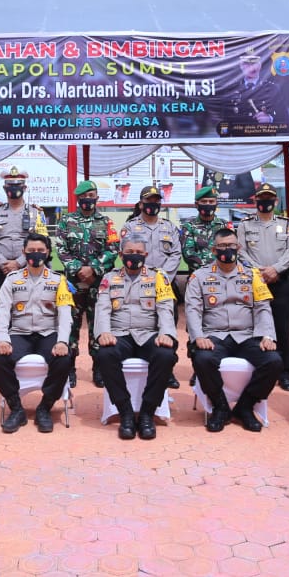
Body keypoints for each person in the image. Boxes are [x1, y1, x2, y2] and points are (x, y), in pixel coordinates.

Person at [185, 227, 280, 433]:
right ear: (213, 250)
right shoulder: (199, 276)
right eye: (222, 246)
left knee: (273, 361)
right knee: (202, 359)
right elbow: (192, 309)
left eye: (231, 245)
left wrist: (267, 336)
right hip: (214, 335)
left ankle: (245, 406)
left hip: (247, 335)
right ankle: (220, 406)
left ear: (239, 247)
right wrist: (198, 337)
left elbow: (263, 308)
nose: (227, 249)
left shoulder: (253, 275)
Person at [95, 234, 178, 440]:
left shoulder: (158, 277)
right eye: (130, 252)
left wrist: (166, 333)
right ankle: (125, 412)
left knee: (166, 355)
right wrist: (104, 332)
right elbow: (102, 309)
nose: (134, 256)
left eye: (139, 252)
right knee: (104, 355)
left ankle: (148, 412)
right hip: (119, 334)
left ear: (146, 255)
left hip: (148, 334)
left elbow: (165, 307)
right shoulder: (109, 278)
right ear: (121, 254)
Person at [0, 233, 74, 434]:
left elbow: (65, 314)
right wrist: (3, 339)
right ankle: (16, 408)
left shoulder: (58, 280)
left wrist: (62, 341)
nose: (36, 254)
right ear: (24, 252)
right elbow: (3, 311)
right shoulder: (12, 279)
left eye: (40, 251)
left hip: (48, 333)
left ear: (47, 252)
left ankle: (45, 407)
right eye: (31, 251)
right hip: (20, 333)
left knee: (65, 358)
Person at [55, 180, 119, 389]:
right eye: (84, 196)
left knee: (98, 324)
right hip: (73, 284)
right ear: (78, 199)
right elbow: (61, 249)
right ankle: (69, 368)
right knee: (70, 325)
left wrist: (92, 269)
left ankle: (98, 368)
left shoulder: (106, 222)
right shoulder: (66, 221)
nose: (88, 199)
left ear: (97, 198)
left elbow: (112, 248)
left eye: (92, 195)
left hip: (97, 283)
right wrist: (78, 270)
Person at [236, 183, 289, 392]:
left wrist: (275, 270)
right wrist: (258, 272)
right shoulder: (245, 225)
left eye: (269, 197)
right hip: (254, 282)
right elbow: (241, 252)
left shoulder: (285, 224)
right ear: (255, 200)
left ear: (276, 200)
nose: (265, 201)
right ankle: (259, 366)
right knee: (253, 325)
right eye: (261, 198)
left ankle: (285, 373)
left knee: (282, 328)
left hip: (280, 281)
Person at [120, 185, 182, 389]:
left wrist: (162, 276)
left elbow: (176, 254)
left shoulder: (169, 227)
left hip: (165, 283)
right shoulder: (130, 227)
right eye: (149, 201)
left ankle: (167, 370)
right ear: (141, 204)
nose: (153, 204)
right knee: (142, 322)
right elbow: (127, 252)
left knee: (167, 324)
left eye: (156, 200)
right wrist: (146, 276)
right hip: (137, 282)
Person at [0, 167, 48, 311]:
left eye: (17, 185)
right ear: (4, 188)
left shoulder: (36, 212)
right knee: (2, 309)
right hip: (0, 269)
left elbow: (42, 241)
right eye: (10, 185)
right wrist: (3, 263)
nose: (14, 188)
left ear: (24, 188)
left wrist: (18, 263)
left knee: (28, 307)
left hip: (28, 266)